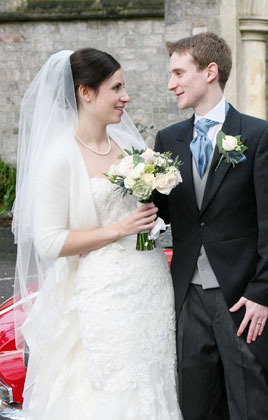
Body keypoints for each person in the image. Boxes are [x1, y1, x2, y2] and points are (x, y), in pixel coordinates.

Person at [12, 49, 183, 420]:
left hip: (151, 285)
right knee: (113, 388)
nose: (126, 97)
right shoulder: (60, 156)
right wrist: (119, 229)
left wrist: (152, 218)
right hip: (104, 294)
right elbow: (49, 242)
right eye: (116, 87)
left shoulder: (131, 149)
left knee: (155, 382)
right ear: (85, 93)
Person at [153, 32, 268, 420]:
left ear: (210, 72)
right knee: (195, 405)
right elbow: (160, 213)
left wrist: (263, 295)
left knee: (249, 404)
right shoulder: (167, 140)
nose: (170, 84)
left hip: (241, 298)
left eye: (179, 73)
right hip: (188, 297)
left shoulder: (260, 136)